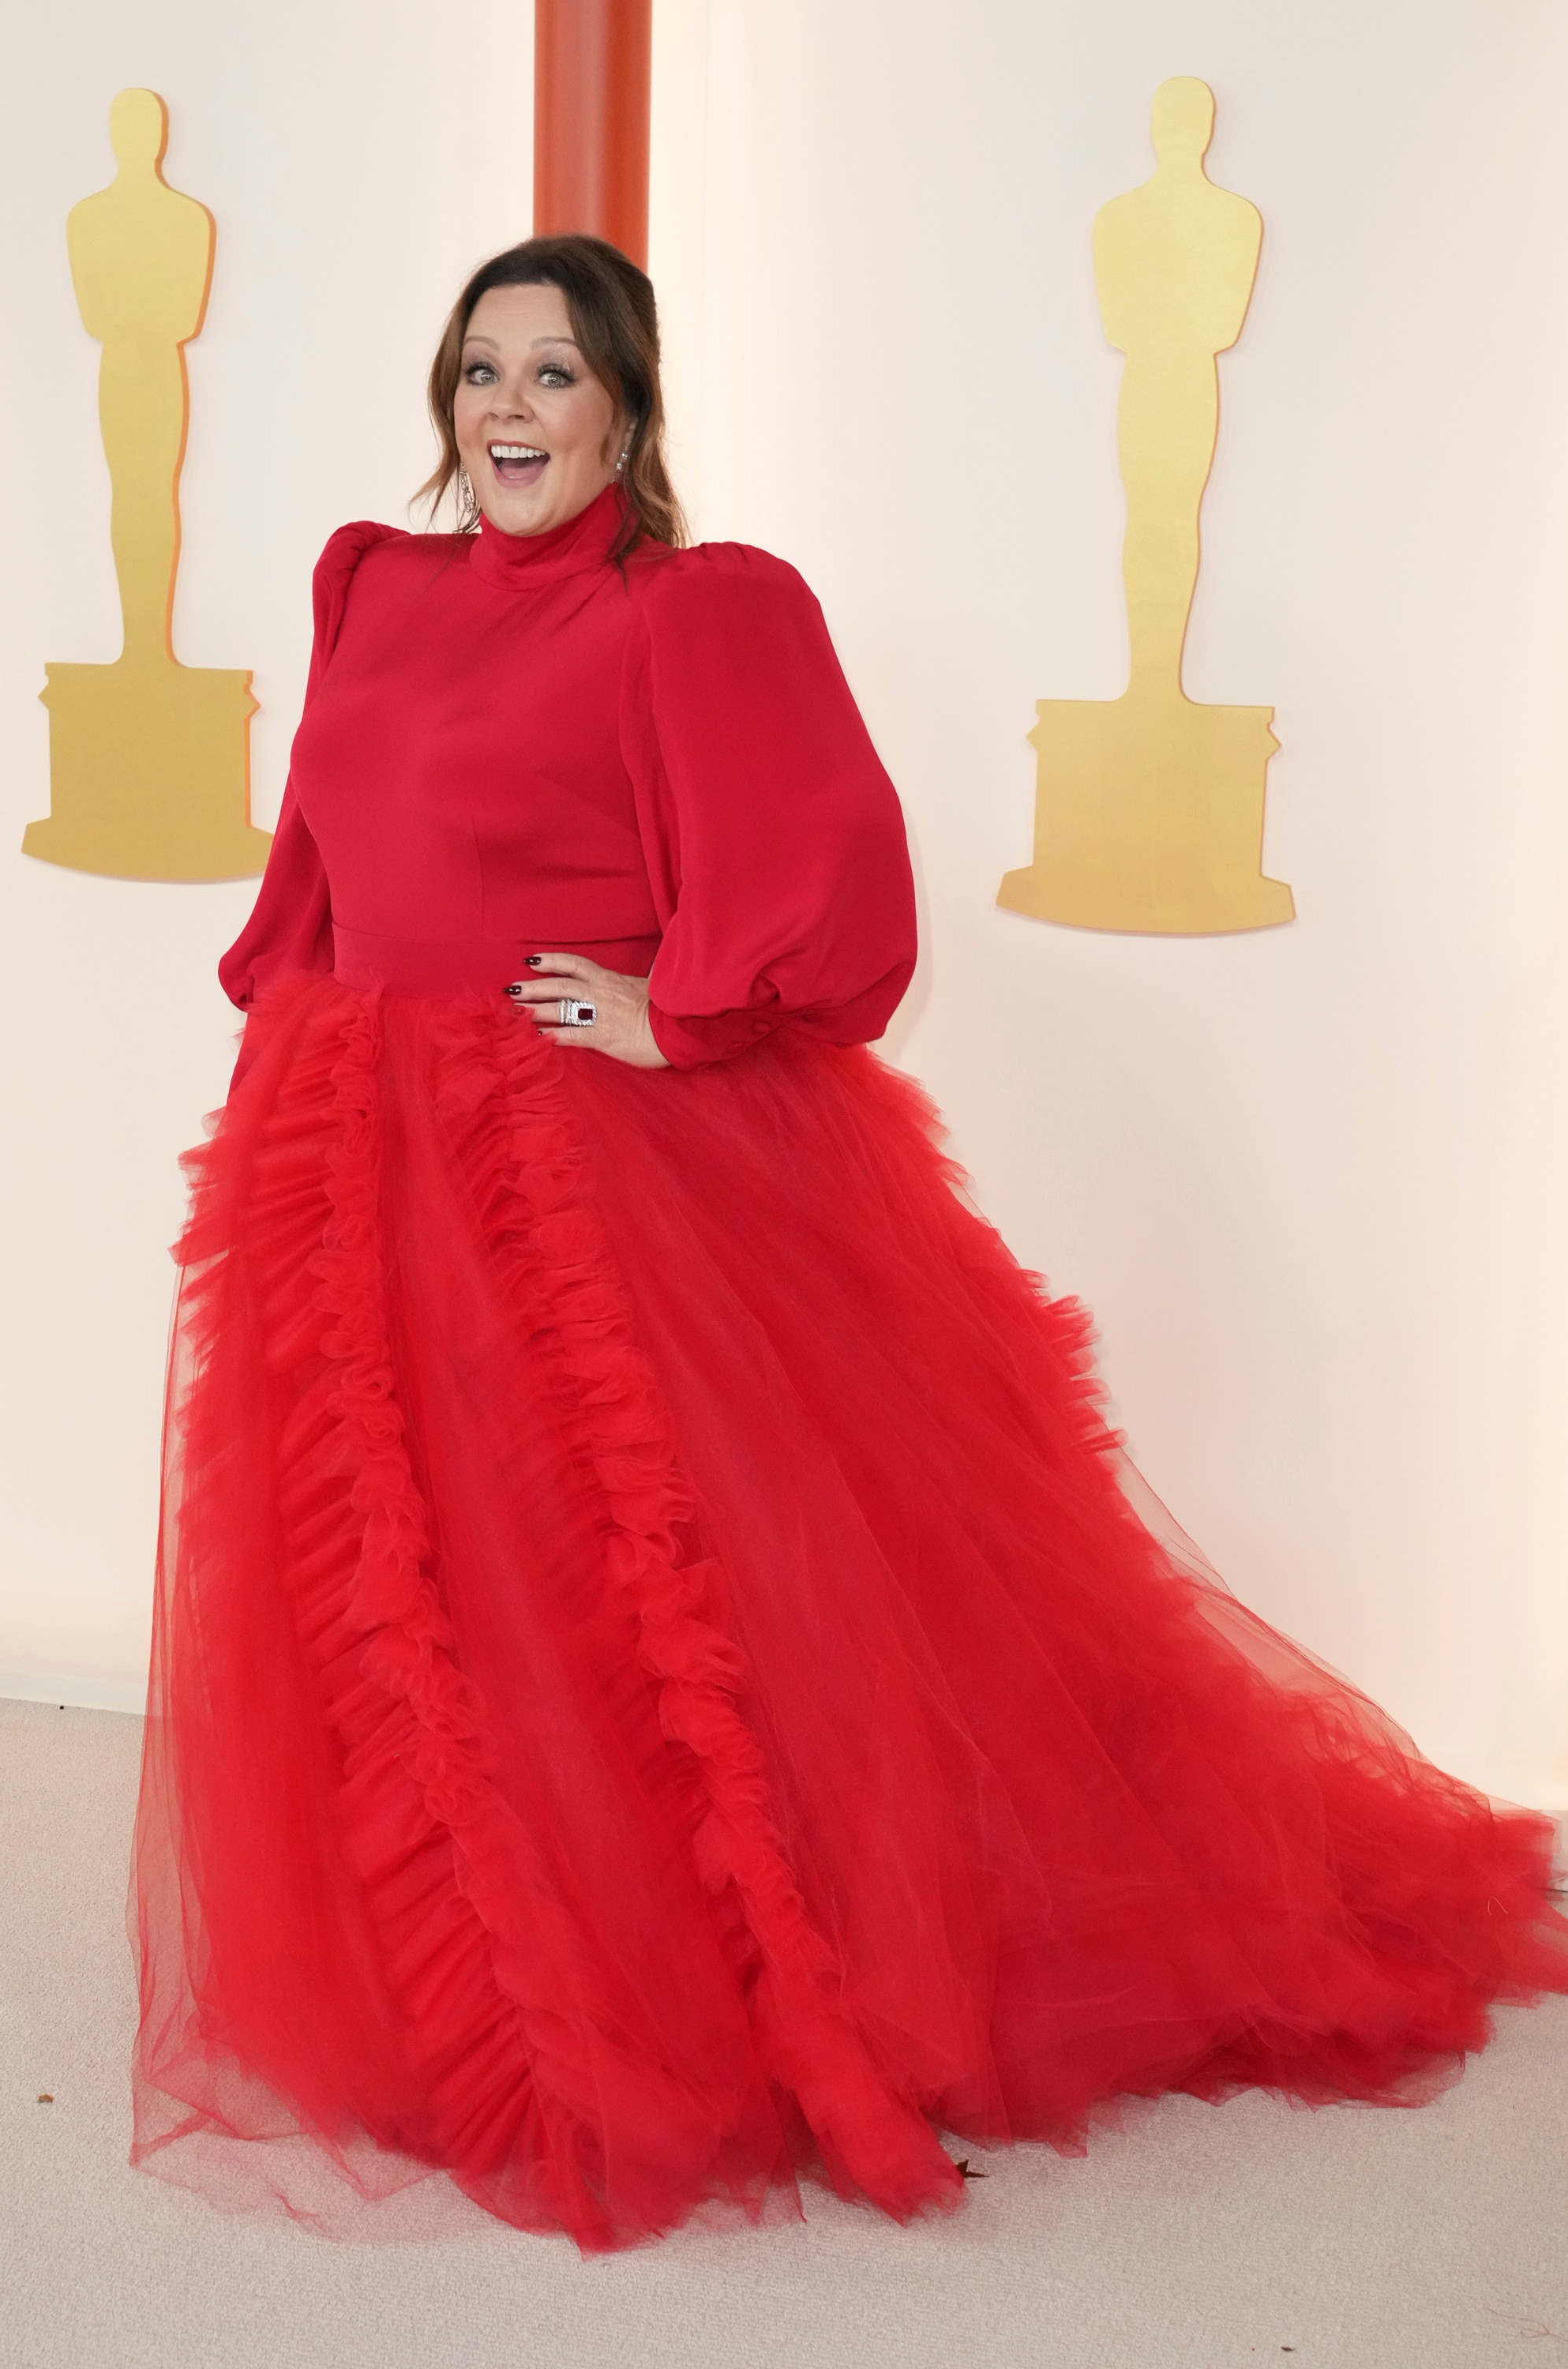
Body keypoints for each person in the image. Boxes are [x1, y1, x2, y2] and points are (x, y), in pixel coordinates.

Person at [130, 234, 1567, 2252]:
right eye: (481, 374)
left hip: (575, 1161)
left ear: (629, 402)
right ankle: (470, 1982)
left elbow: (826, 869)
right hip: (350, 1143)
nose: (512, 413)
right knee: (407, 1590)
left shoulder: (693, 612)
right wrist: (310, 1030)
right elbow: (322, 849)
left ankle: (689, 2002)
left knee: (645, 1603)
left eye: (556, 375)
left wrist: (677, 1008)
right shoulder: (375, 581)